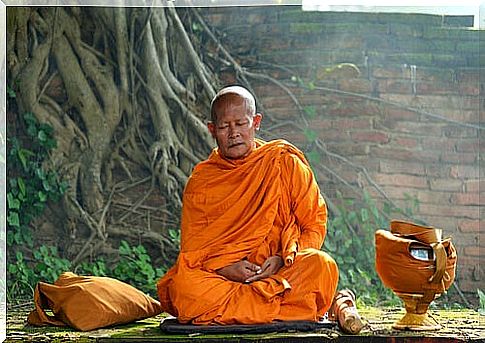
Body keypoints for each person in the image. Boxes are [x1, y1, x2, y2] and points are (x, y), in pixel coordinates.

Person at [157, 85, 363, 333]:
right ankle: (279, 311)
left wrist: (284, 260)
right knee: (184, 288)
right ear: (212, 130)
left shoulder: (283, 163)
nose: (234, 133)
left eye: (241, 124)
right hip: (224, 279)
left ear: (256, 122)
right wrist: (225, 268)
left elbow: (314, 224)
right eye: (224, 127)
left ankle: (244, 312)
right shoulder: (203, 180)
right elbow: (193, 250)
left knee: (322, 266)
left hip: (279, 272)